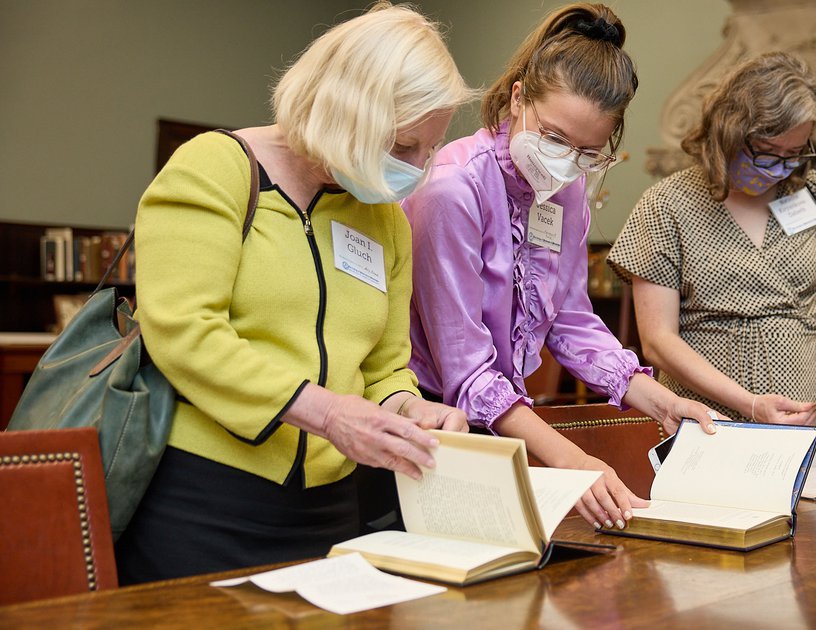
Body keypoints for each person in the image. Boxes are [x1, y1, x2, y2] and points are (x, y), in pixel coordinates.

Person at [117, 2, 475, 583]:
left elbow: (384, 369)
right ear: (346, 114)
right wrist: (329, 413)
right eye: (403, 146)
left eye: (428, 149)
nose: (418, 167)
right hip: (205, 501)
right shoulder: (215, 169)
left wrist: (413, 412)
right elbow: (184, 331)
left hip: (330, 510)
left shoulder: (385, 220)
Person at [403, 3, 720, 533]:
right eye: (553, 138)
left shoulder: (565, 190)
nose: (564, 160)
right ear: (518, 96)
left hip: (511, 423)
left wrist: (661, 403)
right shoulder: (452, 189)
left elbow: (571, 320)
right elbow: (467, 371)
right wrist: (573, 460)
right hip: (435, 417)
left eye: (586, 151)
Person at [607, 51, 816, 426]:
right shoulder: (666, 205)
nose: (779, 170)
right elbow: (658, 342)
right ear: (728, 133)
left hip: (809, 419)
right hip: (711, 423)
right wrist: (748, 403)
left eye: (794, 154)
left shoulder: (807, 190)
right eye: (767, 154)